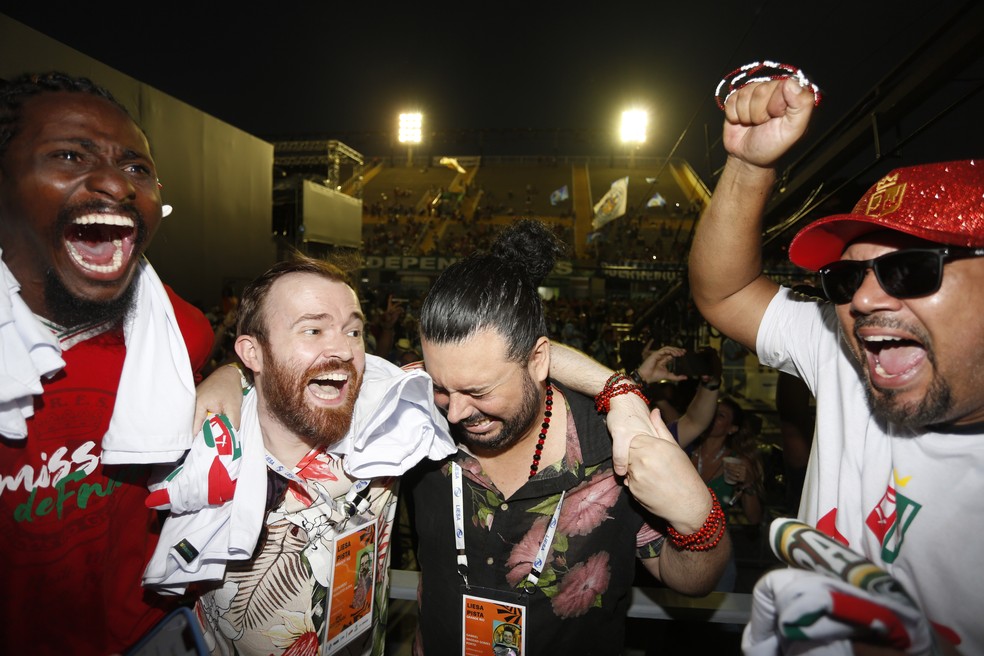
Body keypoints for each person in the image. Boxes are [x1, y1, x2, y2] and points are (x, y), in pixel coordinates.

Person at [689, 73, 984, 654]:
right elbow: (725, 292)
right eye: (847, 277)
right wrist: (749, 167)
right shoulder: (842, 354)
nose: (866, 300)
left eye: (911, 269)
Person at [405, 219, 730, 655]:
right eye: (443, 386)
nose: (456, 410)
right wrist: (618, 385)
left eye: (479, 391)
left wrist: (697, 518)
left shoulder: (609, 452)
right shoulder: (414, 419)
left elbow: (690, 580)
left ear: (540, 360)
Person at [0, 72, 215, 655]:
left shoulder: (181, 334)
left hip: (148, 633)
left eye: (136, 168)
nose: (115, 184)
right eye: (70, 155)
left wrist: (230, 380)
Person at [147, 255, 454, 655]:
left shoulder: (392, 421)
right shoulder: (204, 457)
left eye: (354, 331)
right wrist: (231, 374)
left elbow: (501, 376)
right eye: (313, 329)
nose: (343, 349)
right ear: (252, 353)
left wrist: (547, 354)